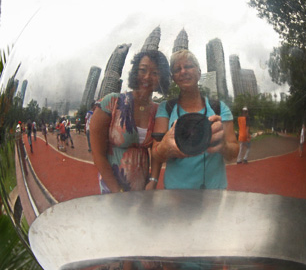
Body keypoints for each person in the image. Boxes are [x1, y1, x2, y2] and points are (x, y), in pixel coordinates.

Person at [152, 49, 238, 189]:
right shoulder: (165, 108)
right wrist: (164, 147)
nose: (183, 72)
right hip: (176, 194)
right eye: (177, 69)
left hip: (214, 192)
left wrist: (223, 146)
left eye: (188, 66)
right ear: (173, 77)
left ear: (199, 72)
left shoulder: (219, 108)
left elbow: (233, 153)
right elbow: (156, 154)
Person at [90, 49, 170, 193]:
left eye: (155, 73)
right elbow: (98, 154)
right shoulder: (112, 102)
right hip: (112, 189)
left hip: (142, 189)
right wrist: (116, 190)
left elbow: (156, 150)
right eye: (143, 70)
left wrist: (153, 180)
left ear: (161, 78)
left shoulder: (158, 111)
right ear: (135, 72)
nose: (147, 77)